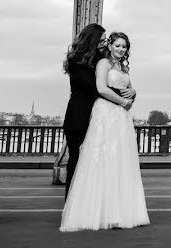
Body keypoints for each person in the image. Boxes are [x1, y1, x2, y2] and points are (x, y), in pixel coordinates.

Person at [60, 31, 150, 231]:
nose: (120, 49)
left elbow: (129, 88)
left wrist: (134, 93)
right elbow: (101, 88)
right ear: (110, 46)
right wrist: (124, 101)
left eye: (124, 46)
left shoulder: (123, 67)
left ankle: (118, 210)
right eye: (116, 45)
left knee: (120, 160)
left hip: (121, 117)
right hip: (107, 113)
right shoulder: (103, 63)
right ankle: (93, 210)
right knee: (101, 158)